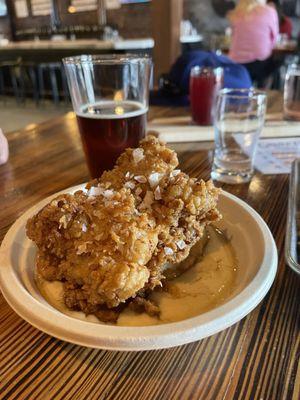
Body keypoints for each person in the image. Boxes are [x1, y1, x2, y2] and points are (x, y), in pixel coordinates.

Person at [228, 0, 279, 87]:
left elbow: (233, 36)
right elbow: (274, 39)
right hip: (260, 62)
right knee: (276, 69)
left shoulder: (237, 12)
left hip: (236, 62)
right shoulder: (269, 11)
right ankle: (268, 93)